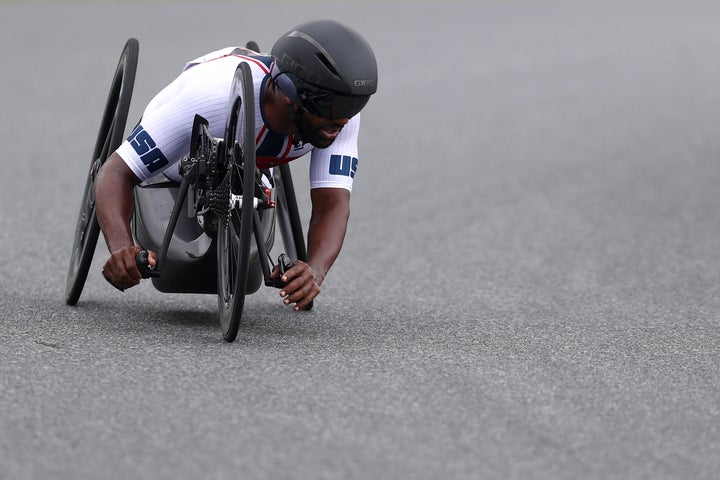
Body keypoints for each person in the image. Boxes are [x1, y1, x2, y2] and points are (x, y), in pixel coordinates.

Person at [95, 19, 378, 311]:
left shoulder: (340, 115)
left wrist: (314, 271)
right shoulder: (206, 99)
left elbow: (332, 203)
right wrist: (121, 248)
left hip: (251, 158)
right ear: (293, 95)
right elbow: (115, 172)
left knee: (257, 186)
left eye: (355, 106)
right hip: (183, 138)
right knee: (165, 168)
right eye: (331, 108)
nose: (344, 121)